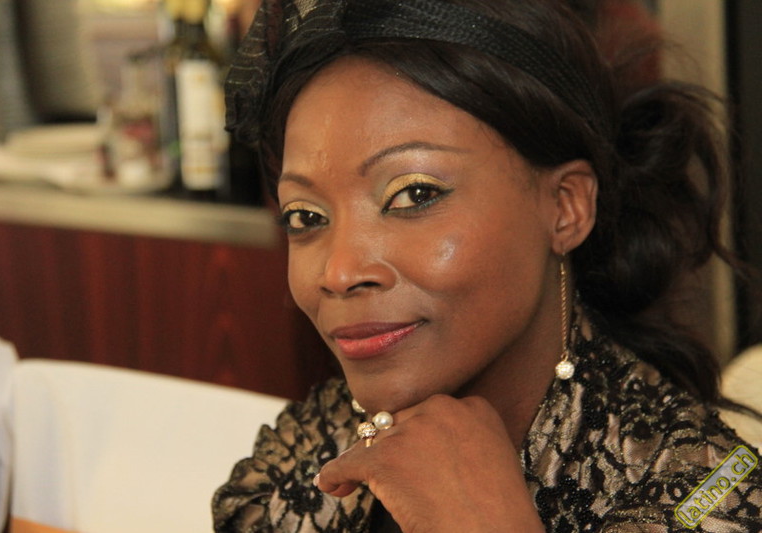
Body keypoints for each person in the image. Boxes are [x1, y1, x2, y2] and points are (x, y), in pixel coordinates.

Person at [212, 0, 762, 531]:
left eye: (415, 194)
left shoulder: (705, 494)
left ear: (565, 207)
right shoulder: (306, 456)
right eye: (305, 216)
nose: (338, 272)